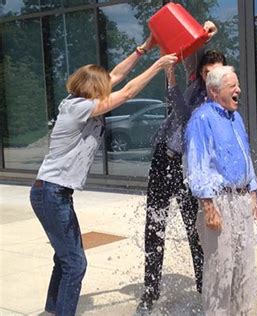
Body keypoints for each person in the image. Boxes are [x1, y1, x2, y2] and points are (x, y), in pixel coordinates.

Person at [29, 35, 177, 316]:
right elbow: (127, 92)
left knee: (65, 260)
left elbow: (119, 74)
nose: (108, 86)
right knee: (76, 263)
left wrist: (144, 47)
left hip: (52, 192)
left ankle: (52, 310)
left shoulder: (76, 100)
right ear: (93, 89)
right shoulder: (79, 107)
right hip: (50, 192)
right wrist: (157, 65)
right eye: (103, 85)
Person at [137, 21, 226, 312]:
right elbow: (187, 51)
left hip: (188, 170)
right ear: (201, 72)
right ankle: (150, 292)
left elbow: (185, 115)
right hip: (164, 158)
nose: (210, 75)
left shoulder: (217, 101)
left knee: (194, 231)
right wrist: (205, 32)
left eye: (216, 71)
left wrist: (170, 79)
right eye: (206, 70)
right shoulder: (194, 84)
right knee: (155, 224)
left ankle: (205, 289)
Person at [185, 65, 257, 315]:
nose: (239, 90)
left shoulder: (235, 117)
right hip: (218, 202)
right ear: (215, 91)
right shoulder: (202, 119)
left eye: (237, 85)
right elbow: (197, 165)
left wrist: (253, 190)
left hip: (240, 201)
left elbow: (245, 154)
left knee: (244, 266)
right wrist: (208, 207)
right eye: (233, 86)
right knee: (220, 270)